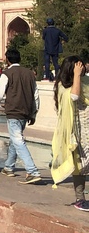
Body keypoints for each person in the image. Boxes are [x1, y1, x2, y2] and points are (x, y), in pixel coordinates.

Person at [0, 48, 41, 183]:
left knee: (18, 140)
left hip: (14, 111)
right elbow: (36, 96)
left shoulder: (7, 73)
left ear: (7, 60)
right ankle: (8, 167)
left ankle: (32, 171)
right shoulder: (29, 74)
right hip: (25, 111)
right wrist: (34, 113)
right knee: (15, 139)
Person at [51, 57, 89, 210]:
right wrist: (77, 76)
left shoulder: (85, 82)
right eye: (78, 67)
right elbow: (73, 96)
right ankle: (80, 199)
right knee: (80, 165)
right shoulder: (63, 86)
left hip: (87, 127)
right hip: (77, 131)